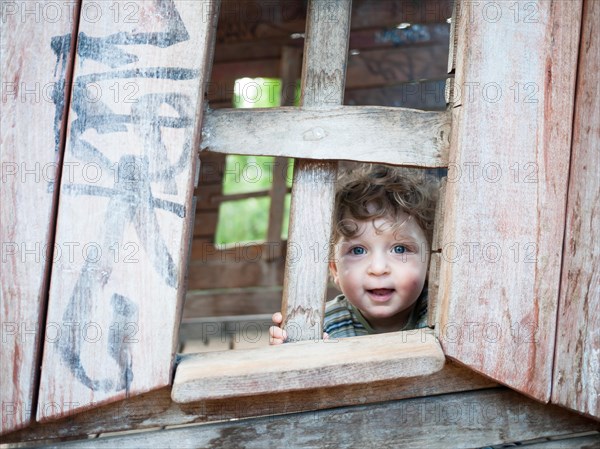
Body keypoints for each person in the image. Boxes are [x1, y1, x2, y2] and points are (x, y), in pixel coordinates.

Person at [269, 164, 439, 344]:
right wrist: (292, 347)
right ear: (335, 269)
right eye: (357, 250)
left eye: (400, 249)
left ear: (430, 264)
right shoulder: (320, 326)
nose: (378, 268)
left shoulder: (442, 314)